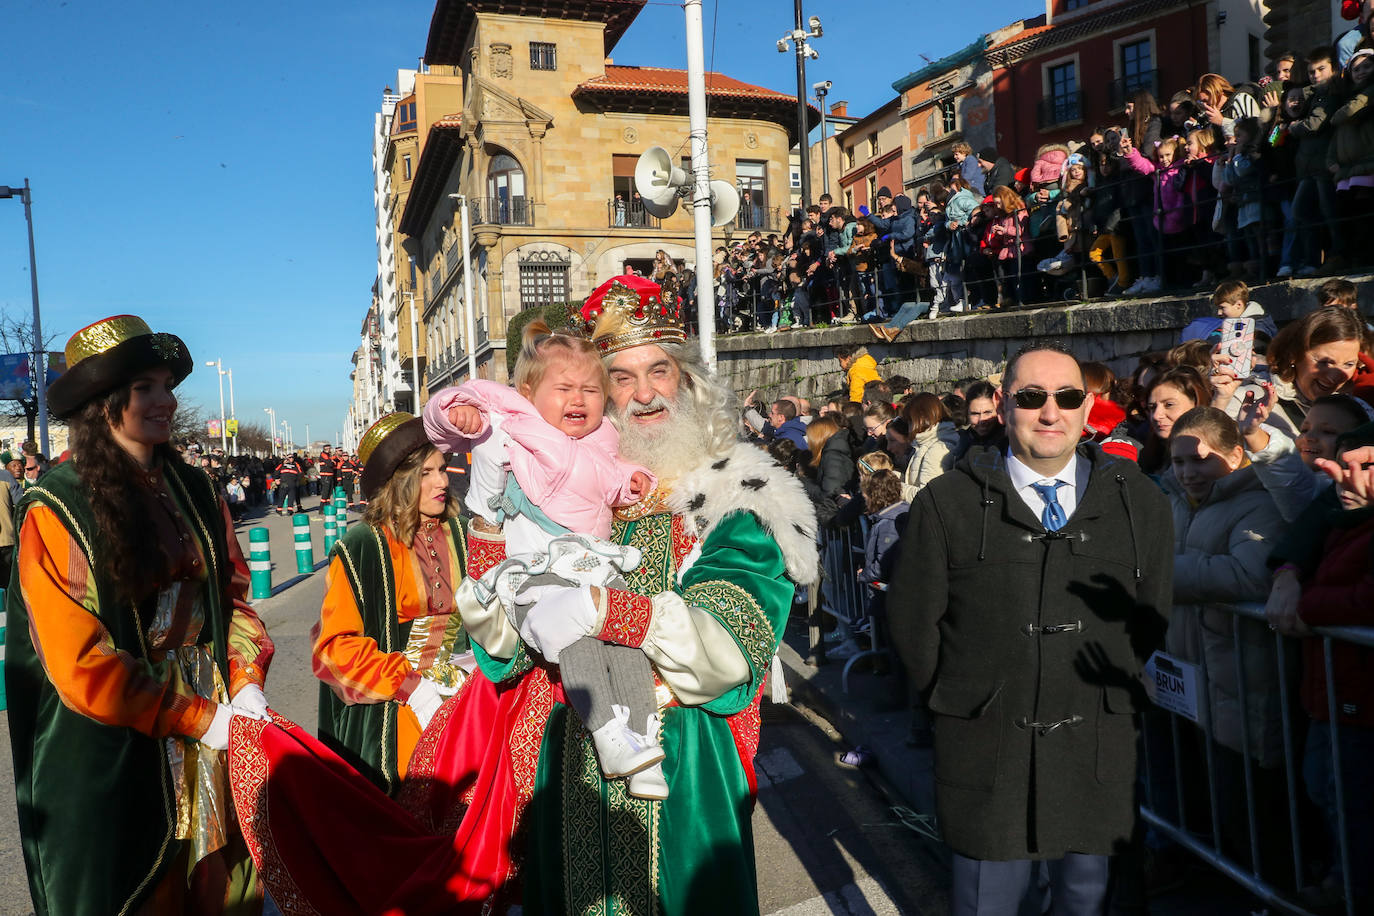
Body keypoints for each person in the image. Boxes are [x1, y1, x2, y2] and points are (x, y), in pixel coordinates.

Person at [224, 275, 820, 914]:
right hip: (562, 782)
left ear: (690, 380)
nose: (644, 395)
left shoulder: (736, 498)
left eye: (660, 371)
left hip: (680, 785)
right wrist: (487, 524)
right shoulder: (570, 496)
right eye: (621, 377)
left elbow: (730, 653)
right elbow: (503, 649)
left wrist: (604, 611)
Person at [888, 343, 1172, 916]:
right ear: (1002, 403)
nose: (1050, 413)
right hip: (987, 755)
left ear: (1088, 408)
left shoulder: (1138, 500)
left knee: (1089, 904)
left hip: (1094, 754)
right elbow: (915, 624)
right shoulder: (947, 502)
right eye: (1031, 397)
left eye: (1067, 397)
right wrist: (968, 700)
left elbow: (1150, 616)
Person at [6, 314, 275, 915]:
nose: (166, 399)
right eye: (145, 388)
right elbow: (79, 662)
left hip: (216, 716)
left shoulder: (195, 488)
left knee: (222, 886)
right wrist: (193, 715)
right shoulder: (58, 505)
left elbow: (232, 599)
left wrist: (246, 681)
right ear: (105, 405)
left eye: (167, 385)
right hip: (122, 738)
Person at [422, 318, 668, 799]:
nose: (578, 400)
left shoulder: (604, 439)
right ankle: (608, 732)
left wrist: (635, 481)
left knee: (627, 646)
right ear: (528, 392)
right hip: (538, 572)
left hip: (596, 566)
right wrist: (460, 415)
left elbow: (611, 474)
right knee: (573, 636)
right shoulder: (511, 427)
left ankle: (644, 737)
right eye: (565, 389)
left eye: (591, 390)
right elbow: (446, 414)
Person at [312, 411, 472, 792]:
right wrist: (412, 687)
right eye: (426, 474)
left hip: (468, 699)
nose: (442, 482)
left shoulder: (463, 532)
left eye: (442, 468)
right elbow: (335, 648)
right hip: (399, 708)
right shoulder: (362, 546)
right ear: (399, 483)